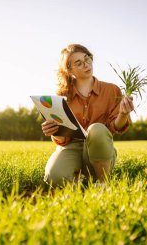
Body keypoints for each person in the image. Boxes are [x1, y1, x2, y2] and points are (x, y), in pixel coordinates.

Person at [42, 44, 134, 187]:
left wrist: (123, 114)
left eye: (87, 59)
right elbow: (63, 139)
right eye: (78, 63)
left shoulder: (111, 90)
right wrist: (54, 131)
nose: (86, 64)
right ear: (69, 70)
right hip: (72, 147)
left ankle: (103, 183)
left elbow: (116, 127)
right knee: (53, 176)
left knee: (96, 129)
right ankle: (80, 182)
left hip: (99, 147)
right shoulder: (62, 96)